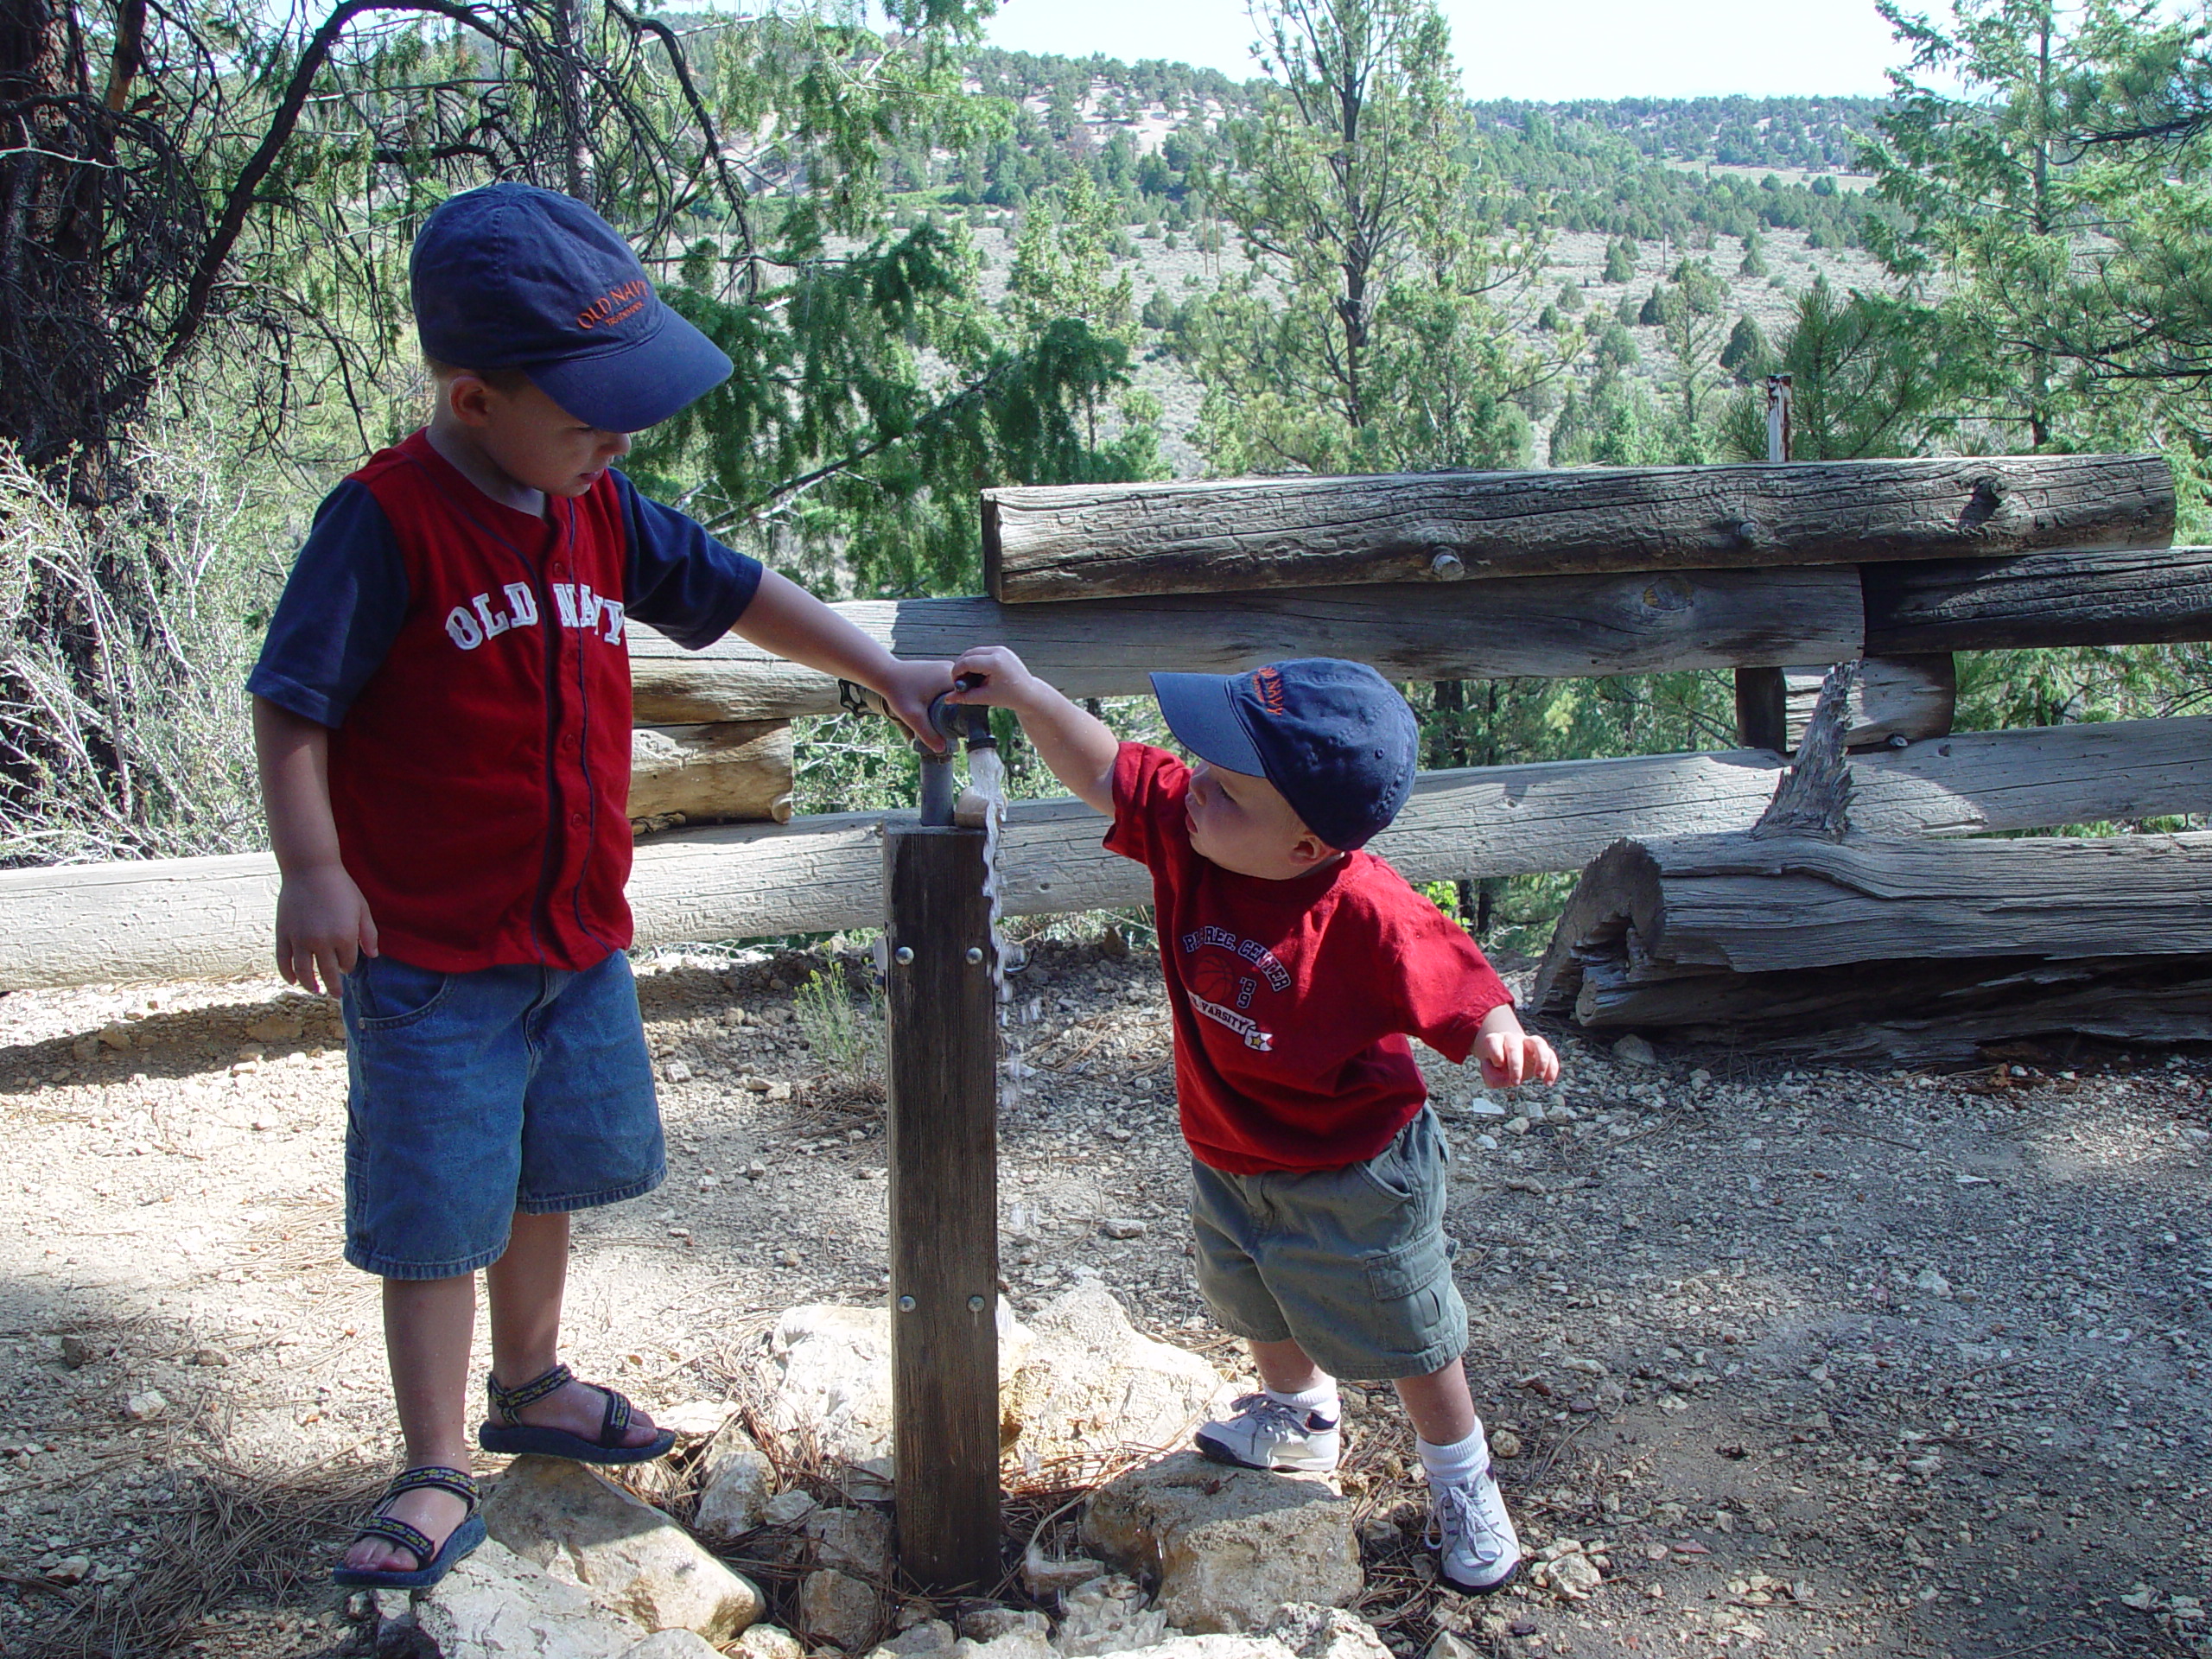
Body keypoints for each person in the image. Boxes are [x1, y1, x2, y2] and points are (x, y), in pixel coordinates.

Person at [249, 183, 950, 1590]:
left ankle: (533, 1382)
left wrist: (881, 668)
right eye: (588, 416)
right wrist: (313, 868)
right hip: (435, 950)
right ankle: (437, 1464)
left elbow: (736, 587)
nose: (616, 442)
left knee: (546, 1170)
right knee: (441, 1202)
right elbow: (294, 702)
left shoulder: (598, 505)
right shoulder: (385, 523)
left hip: (573, 939)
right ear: (471, 398)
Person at [947, 650, 1560, 1593]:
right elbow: (1106, 766)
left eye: (1227, 789)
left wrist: (1497, 1027)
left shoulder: (1363, 909)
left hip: (1352, 1169)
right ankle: (1298, 1414)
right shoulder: (1193, 828)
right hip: (1227, 1146)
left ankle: (1461, 1476)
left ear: (1307, 846)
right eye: (1201, 769)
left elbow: (1453, 972)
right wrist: (1029, 694)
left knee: (1407, 1327)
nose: (1194, 790)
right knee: (1251, 1289)